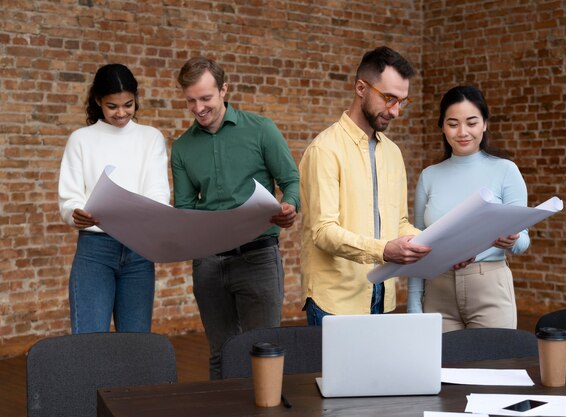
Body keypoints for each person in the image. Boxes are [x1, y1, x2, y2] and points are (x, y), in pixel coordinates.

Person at [171, 57, 300, 380]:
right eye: (190, 100)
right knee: (221, 354)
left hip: (258, 257)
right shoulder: (183, 148)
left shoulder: (261, 130)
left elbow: (291, 181)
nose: (198, 108)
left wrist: (289, 206)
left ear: (223, 90)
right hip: (209, 264)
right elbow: (186, 207)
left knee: (264, 351)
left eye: (205, 98)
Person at [299, 46, 434, 325]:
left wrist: (438, 245)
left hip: (382, 297)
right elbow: (323, 232)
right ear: (361, 88)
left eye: (402, 101)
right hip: (335, 302)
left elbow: (398, 223)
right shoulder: (324, 150)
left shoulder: (393, 153)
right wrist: (384, 250)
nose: (396, 111)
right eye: (389, 98)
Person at [58, 64, 170, 334]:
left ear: (136, 98)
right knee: (89, 340)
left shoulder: (150, 138)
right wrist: (76, 213)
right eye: (112, 106)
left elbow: (158, 193)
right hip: (95, 251)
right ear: (98, 101)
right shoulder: (81, 140)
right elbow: (69, 198)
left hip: (138, 250)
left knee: (135, 343)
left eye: (128, 104)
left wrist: (154, 212)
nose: (121, 113)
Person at [407, 85, 530, 332]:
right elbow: (417, 243)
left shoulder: (506, 170)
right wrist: (413, 303)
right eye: (453, 124)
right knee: (442, 369)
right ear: (442, 126)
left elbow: (523, 242)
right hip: (437, 291)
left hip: (489, 287)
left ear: (484, 124)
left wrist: (512, 240)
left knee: (494, 367)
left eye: (472, 123)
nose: (463, 132)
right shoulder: (429, 176)